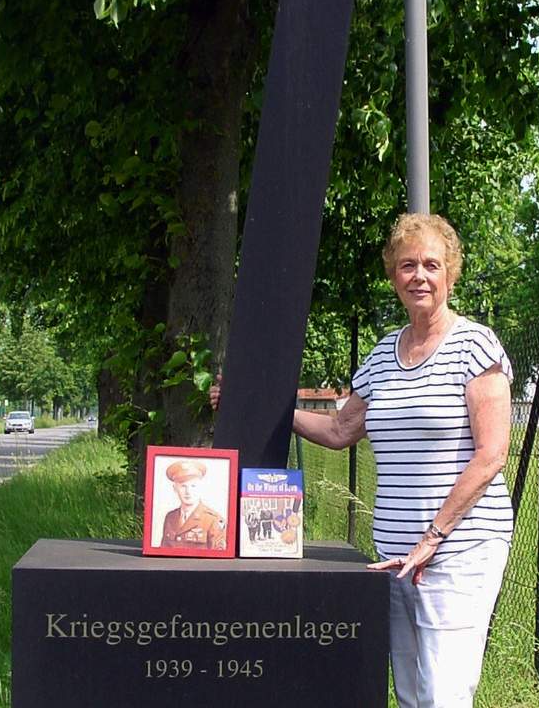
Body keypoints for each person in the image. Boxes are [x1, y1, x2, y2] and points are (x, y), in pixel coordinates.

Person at [210, 213, 513, 708]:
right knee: (410, 690)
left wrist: (433, 537)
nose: (420, 275)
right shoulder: (382, 354)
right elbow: (339, 429)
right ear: (393, 273)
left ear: (451, 274)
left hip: (458, 549)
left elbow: (491, 455)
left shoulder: (475, 345)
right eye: (408, 264)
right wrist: (257, 402)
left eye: (432, 265)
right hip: (393, 555)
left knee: (444, 693)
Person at [160, 459, 227, 550]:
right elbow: (162, 551)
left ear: (201, 487)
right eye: (183, 486)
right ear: (175, 488)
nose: (188, 492)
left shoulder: (213, 520)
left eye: (193, 486)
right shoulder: (170, 517)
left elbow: (218, 559)